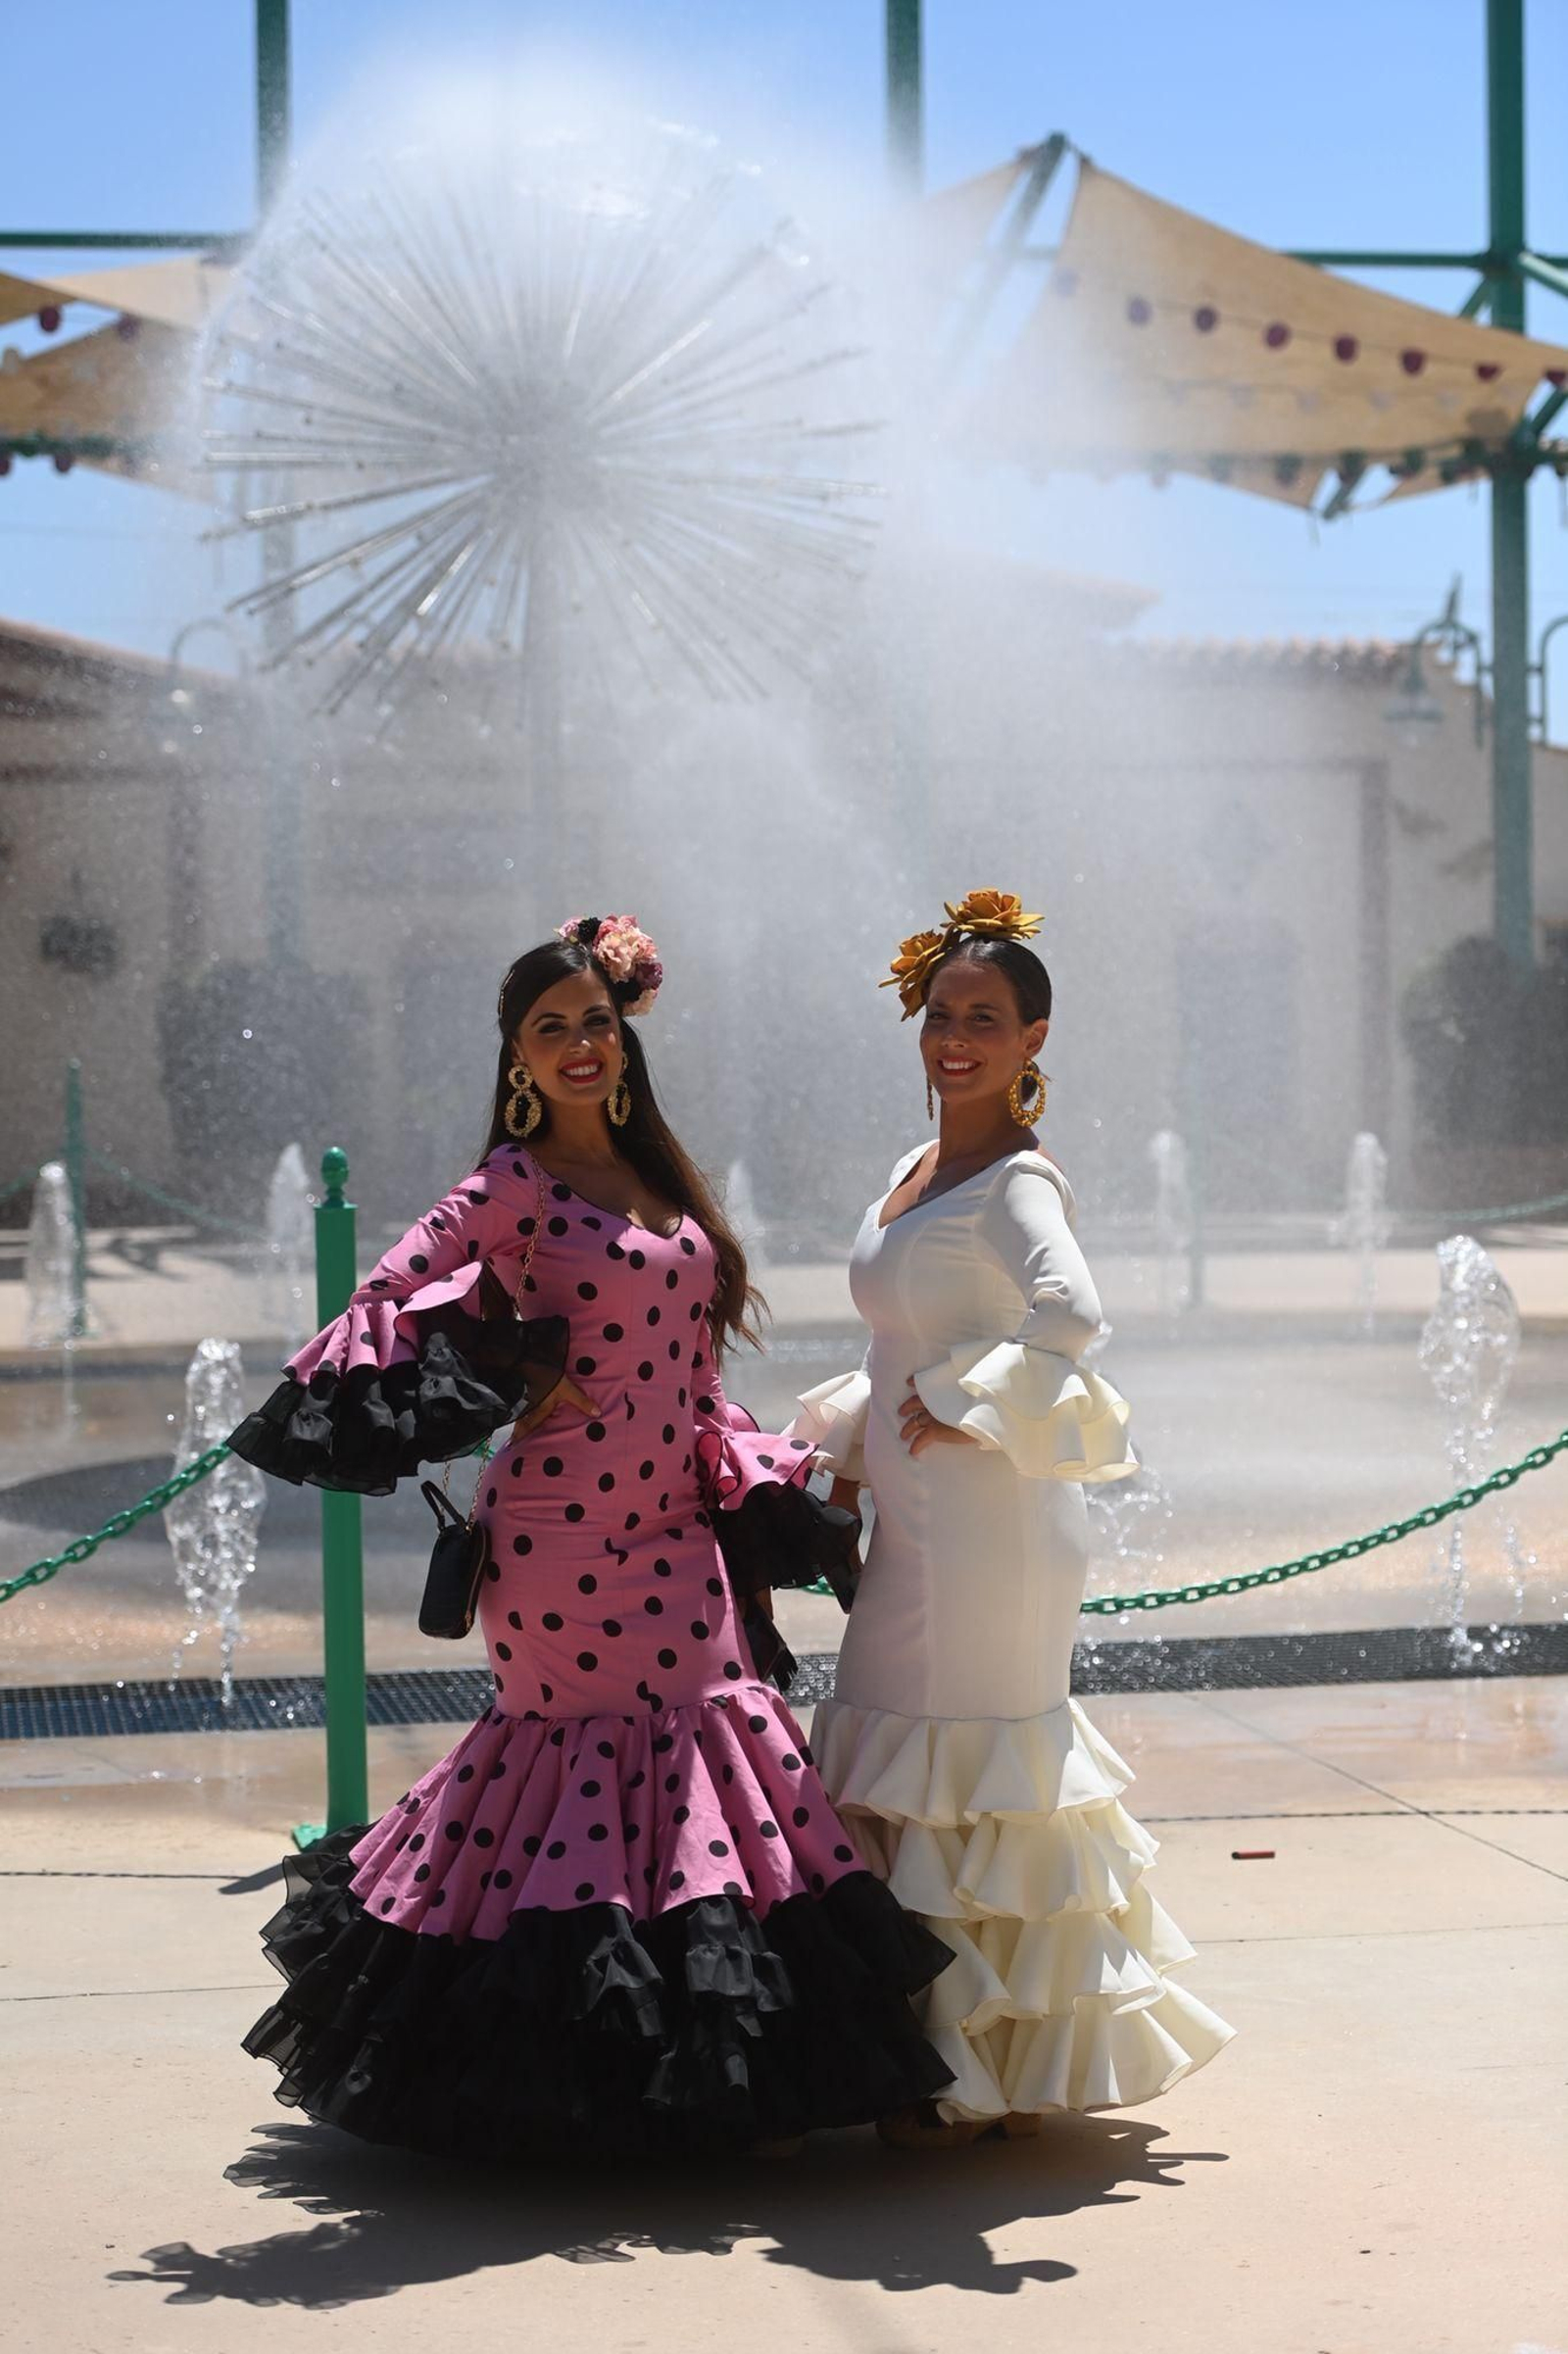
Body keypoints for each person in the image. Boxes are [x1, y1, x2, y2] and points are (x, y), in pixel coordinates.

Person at [227, 913, 955, 2158]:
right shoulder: (509, 1183)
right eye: (549, 1027)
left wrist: (756, 1460)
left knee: (720, 1759)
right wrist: (511, 1371)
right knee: (583, 1770)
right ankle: (588, 2082)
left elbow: (688, 1356)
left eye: (595, 1023)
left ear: (625, 1039)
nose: (578, 1045)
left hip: (680, 1520)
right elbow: (383, 1297)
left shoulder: (664, 1181)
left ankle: (749, 2070)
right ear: (517, 1053)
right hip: (558, 1540)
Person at [794, 889, 1234, 2147]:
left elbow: (1071, 1316)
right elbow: (905, 1331)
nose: (956, 1037)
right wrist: (853, 1433)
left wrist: (960, 1401)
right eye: (941, 1013)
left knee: (963, 1772)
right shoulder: (913, 1169)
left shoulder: (1020, 1183)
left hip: (989, 1527)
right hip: (920, 1522)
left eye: (984, 1017)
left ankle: (963, 2075)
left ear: (1032, 1037)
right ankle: (931, 2058)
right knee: (908, 1764)